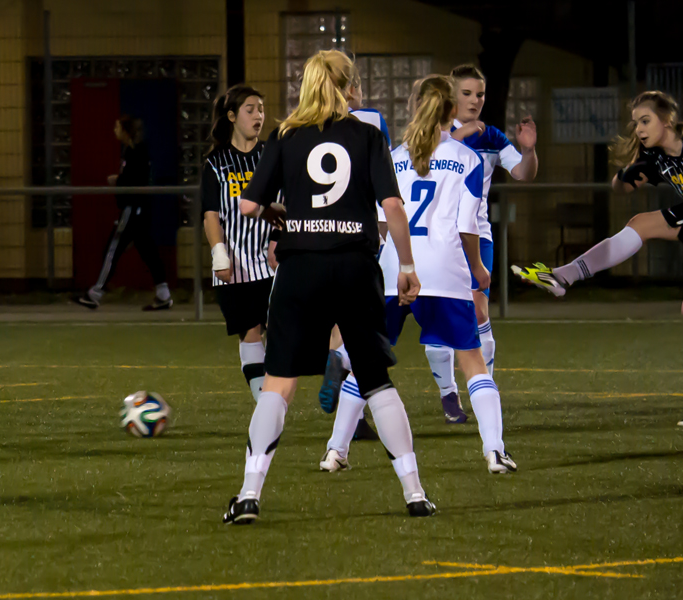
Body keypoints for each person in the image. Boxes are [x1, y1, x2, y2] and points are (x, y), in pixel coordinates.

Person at [221, 50, 435, 524]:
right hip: (357, 267)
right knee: (376, 380)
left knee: (279, 383)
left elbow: (250, 206)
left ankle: (249, 494)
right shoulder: (368, 135)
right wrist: (407, 264)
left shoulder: (285, 135)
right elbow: (394, 209)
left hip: (301, 269)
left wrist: (285, 212)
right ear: (349, 87)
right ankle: (415, 493)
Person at [515, 90, 683, 426]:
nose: (639, 129)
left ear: (667, 120)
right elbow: (620, 188)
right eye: (635, 123)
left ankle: (565, 276)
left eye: (645, 120)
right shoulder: (656, 161)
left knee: (641, 224)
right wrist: (625, 177)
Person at [319, 74, 517, 475]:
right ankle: (494, 450)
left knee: (366, 364)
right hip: (444, 270)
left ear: (414, 107)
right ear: (450, 112)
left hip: (395, 269)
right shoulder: (468, 158)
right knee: (473, 362)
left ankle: (335, 451)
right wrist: (478, 267)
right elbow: (467, 226)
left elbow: (380, 222)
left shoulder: (392, 156)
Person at [423, 64, 538, 424]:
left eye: (481, 94)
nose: (475, 101)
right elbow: (425, 166)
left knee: (479, 310)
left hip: (476, 234)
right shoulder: (432, 134)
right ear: (451, 97)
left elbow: (522, 173)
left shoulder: (491, 137)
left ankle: (482, 388)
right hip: (436, 239)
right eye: (467, 93)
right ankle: (448, 395)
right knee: (438, 321)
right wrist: (458, 138)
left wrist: (529, 151)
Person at [317, 61, 388, 442]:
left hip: (320, 232)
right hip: (363, 229)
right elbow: (385, 175)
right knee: (366, 322)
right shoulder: (371, 120)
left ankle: (337, 362)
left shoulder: (304, 126)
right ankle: (353, 402)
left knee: (336, 316)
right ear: (352, 90)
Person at [201, 84, 273, 404]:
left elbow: (285, 202)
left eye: (261, 110)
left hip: (273, 262)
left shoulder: (271, 156)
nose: (258, 116)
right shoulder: (216, 163)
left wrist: (278, 240)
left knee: (288, 333)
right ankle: (265, 405)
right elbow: (210, 214)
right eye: (250, 110)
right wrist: (220, 255)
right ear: (232, 116)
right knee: (251, 332)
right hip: (236, 265)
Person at [75, 115, 172, 311]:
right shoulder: (130, 151)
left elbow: (135, 180)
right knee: (148, 251)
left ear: (125, 131)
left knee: (112, 249)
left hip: (133, 209)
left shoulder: (137, 152)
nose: (114, 131)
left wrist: (117, 181)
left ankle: (95, 293)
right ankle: (163, 294)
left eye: (117, 128)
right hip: (137, 208)